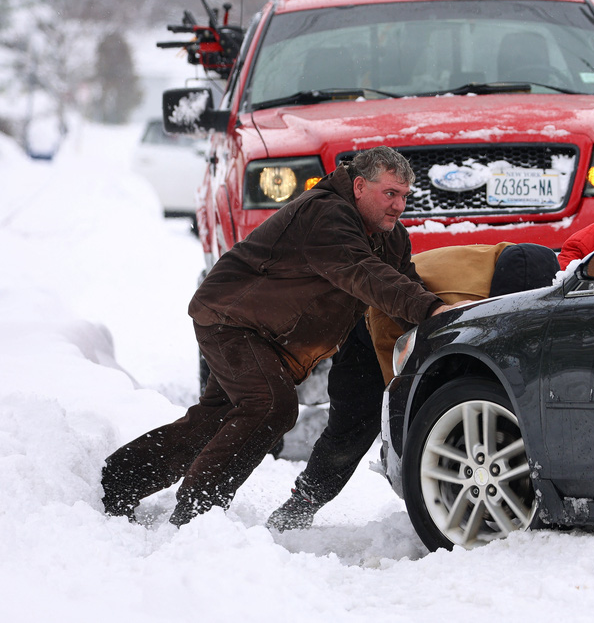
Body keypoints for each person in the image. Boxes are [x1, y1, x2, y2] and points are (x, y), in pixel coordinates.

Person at [101, 146, 457, 527]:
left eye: (404, 196)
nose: (399, 206)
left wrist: (442, 321)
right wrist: (427, 307)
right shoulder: (325, 214)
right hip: (231, 319)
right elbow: (362, 272)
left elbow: (402, 284)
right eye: (389, 194)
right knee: (271, 405)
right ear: (358, 186)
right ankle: (197, 513)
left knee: (216, 420)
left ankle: (120, 480)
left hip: (271, 337)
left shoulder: (390, 237)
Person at [266, 242, 559, 532]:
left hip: (507, 281)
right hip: (379, 321)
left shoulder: (503, 286)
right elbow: (399, 399)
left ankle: (304, 501)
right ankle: (303, 502)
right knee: (352, 427)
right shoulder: (386, 318)